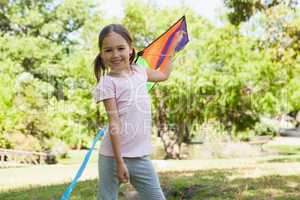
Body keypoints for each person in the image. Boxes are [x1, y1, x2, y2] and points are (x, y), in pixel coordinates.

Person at [93, 24, 181, 200]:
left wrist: (172, 49)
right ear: (102, 55)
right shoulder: (106, 84)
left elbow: (163, 75)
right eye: (108, 50)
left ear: (131, 50)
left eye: (120, 48)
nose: (115, 55)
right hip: (112, 158)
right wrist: (119, 162)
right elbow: (114, 123)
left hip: (140, 157)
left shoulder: (139, 71)